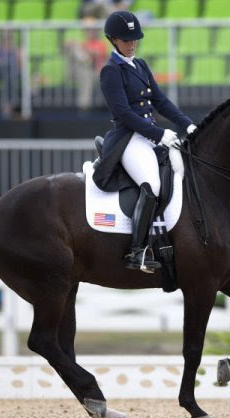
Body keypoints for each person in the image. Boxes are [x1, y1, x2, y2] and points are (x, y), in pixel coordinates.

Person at [93, 11, 197, 273]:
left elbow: (160, 102)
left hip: (149, 135)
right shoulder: (110, 71)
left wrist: (189, 125)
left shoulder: (140, 65)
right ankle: (136, 251)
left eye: (134, 39)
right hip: (129, 139)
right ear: (113, 40)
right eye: (126, 40)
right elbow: (123, 114)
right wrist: (159, 134)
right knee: (151, 184)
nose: (132, 44)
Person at [65, 17, 108, 110]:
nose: (89, 32)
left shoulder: (101, 43)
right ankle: (83, 60)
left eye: (92, 30)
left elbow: (98, 55)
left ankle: (84, 105)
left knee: (85, 69)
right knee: (73, 49)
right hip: (80, 70)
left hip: (97, 72)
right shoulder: (83, 43)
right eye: (87, 30)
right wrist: (71, 45)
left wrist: (86, 51)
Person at [0, 30, 20, 119]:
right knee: (7, 72)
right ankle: (7, 107)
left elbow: (20, 65)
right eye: (5, 37)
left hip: (11, 75)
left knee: (10, 76)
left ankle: (7, 107)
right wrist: (4, 63)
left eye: (9, 37)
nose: (7, 39)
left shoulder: (16, 49)